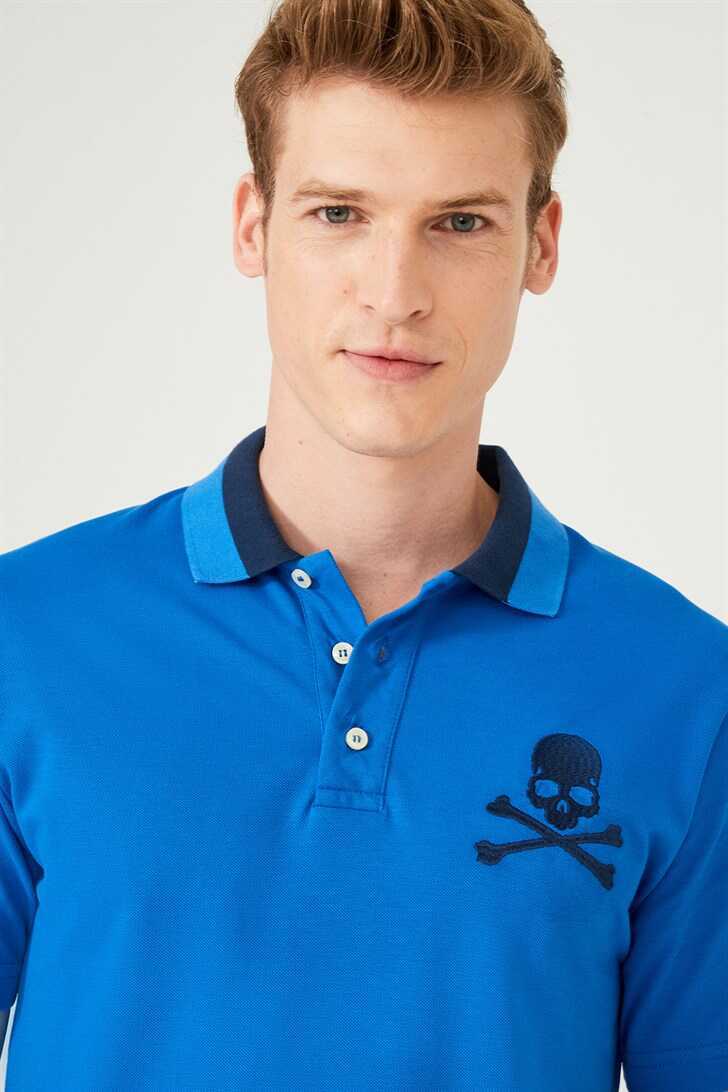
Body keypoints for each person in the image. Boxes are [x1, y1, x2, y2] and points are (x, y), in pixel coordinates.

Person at [1, 0, 726, 1089]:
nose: (394, 293)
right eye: (339, 212)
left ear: (540, 244)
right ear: (252, 226)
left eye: (460, 223)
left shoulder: (686, 690)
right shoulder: (27, 634)